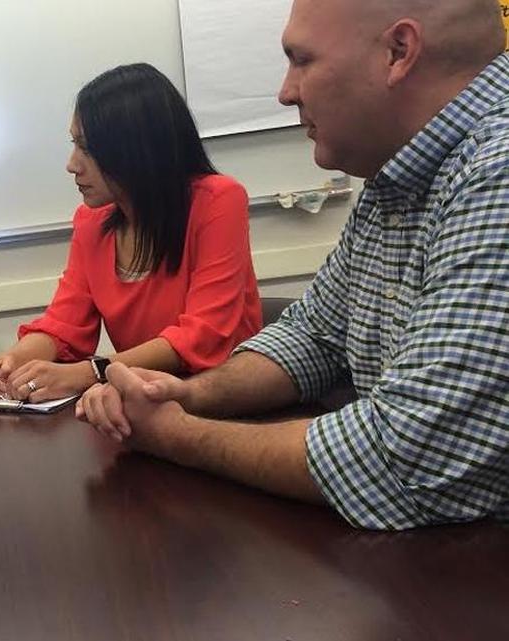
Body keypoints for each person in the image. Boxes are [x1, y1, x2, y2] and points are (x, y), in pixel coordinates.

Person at [76, 0, 509, 530]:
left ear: (399, 52)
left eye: (301, 60)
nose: (285, 91)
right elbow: (314, 336)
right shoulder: (392, 184)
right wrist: (188, 394)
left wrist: (174, 433)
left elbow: (403, 458)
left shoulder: (498, 173)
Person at [0, 63, 261, 403]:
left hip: (224, 401)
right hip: (145, 405)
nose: (72, 164)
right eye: (74, 145)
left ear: (138, 149)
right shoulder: (92, 222)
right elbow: (64, 324)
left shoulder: (218, 200)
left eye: (87, 149)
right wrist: (10, 363)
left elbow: (203, 335)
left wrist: (88, 372)